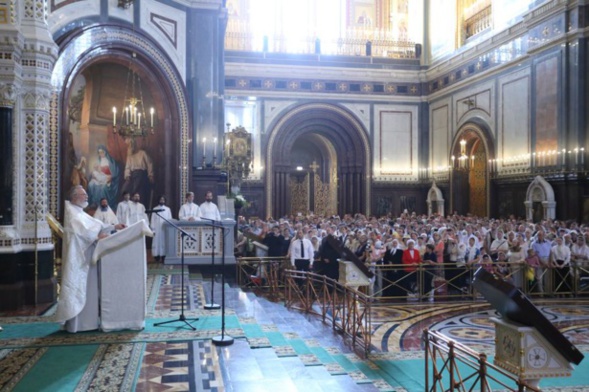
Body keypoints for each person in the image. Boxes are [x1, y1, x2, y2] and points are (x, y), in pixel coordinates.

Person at [55, 185, 125, 332]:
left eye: (86, 194)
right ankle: (79, 324)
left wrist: (114, 227)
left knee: (90, 289)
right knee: (82, 288)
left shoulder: (79, 212)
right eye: (83, 194)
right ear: (74, 197)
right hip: (81, 259)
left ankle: (89, 322)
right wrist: (96, 237)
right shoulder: (72, 213)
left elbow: (96, 225)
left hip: (88, 256)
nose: (86, 197)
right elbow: (80, 233)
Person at [122, 138, 154, 208]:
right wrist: (127, 175)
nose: (130, 148)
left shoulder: (142, 153)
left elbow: (149, 163)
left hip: (142, 176)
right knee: (125, 189)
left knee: (140, 193)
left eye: (131, 145)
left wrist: (150, 175)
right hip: (132, 177)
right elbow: (127, 167)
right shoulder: (130, 156)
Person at [87, 145, 119, 209]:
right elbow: (95, 170)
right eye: (99, 152)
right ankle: (94, 202)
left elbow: (115, 173)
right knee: (91, 184)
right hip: (100, 177)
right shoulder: (98, 161)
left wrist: (110, 177)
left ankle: (101, 204)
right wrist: (94, 175)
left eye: (102, 152)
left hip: (108, 178)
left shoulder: (111, 161)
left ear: (105, 152)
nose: (101, 154)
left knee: (103, 187)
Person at [150, 195, 172, 262]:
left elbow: (169, 219)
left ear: (165, 201)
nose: (162, 201)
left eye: (163, 200)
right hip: (157, 229)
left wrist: (168, 228)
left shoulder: (167, 209)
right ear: (158, 200)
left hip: (164, 229)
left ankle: (163, 256)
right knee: (156, 242)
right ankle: (156, 256)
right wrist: (153, 229)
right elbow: (152, 220)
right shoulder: (155, 209)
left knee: (164, 242)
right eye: (160, 199)